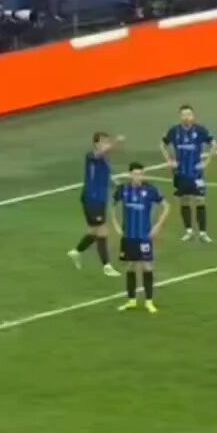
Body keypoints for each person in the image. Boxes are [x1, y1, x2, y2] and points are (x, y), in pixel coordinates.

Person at [112, 163, 170, 313]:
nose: (138, 177)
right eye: (135, 174)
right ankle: (131, 300)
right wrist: (116, 225)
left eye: (140, 174)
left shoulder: (150, 190)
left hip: (144, 236)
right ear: (130, 175)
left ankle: (149, 302)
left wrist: (157, 226)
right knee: (130, 266)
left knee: (147, 266)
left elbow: (166, 206)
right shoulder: (123, 190)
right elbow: (112, 206)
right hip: (128, 236)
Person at [160, 104, 217, 243]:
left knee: (200, 200)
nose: (187, 117)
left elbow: (214, 145)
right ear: (180, 116)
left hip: (196, 173)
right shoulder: (174, 131)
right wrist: (169, 161)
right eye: (184, 115)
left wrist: (206, 162)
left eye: (189, 114)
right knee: (184, 200)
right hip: (180, 173)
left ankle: (203, 232)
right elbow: (162, 145)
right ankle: (189, 231)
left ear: (193, 116)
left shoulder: (200, 130)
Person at [67, 132, 122, 277]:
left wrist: (117, 184)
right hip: (93, 199)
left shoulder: (105, 160)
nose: (106, 144)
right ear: (96, 144)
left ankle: (76, 251)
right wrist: (116, 142)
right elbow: (100, 154)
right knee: (102, 231)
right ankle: (107, 266)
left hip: (98, 199)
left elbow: (106, 177)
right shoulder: (91, 156)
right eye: (104, 142)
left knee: (94, 231)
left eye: (107, 141)